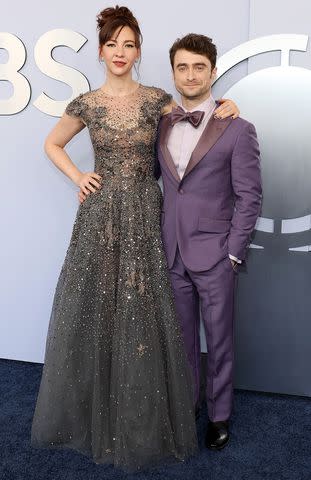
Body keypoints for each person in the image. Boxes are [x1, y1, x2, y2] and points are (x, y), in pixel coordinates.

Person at [31, 6, 239, 471]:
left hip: (149, 213)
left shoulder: (157, 99)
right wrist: (78, 175)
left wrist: (229, 106)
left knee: (146, 311)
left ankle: (150, 407)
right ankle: (98, 407)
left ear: (138, 50)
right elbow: (52, 143)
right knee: (101, 308)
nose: (120, 52)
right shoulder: (86, 103)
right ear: (102, 50)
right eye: (112, 44)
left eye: (129, 44)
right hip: (102, 217)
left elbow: (195, 116)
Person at [155, 33, 262, 451]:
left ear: (212, 71)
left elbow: (250, 196)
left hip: (217, 254)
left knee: (218, 342)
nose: (191, 74)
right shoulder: (162, 122)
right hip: (172, 251)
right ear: (173, 73)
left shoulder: (238, 128)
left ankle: (219, 416)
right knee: (181, 340)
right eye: (183, 67)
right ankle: (189, 405)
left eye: (199, 67)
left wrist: (233, 252)